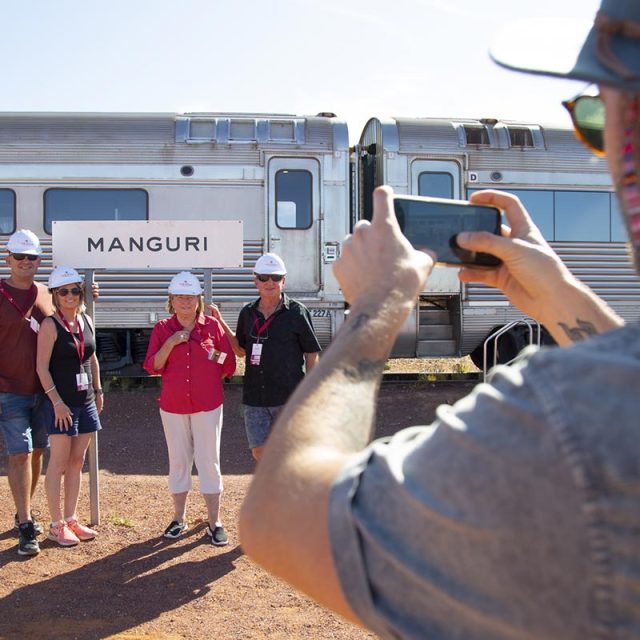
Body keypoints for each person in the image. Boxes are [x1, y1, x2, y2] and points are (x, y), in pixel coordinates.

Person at [239, 2, 640, 638]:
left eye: (597, 119)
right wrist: (561, 297)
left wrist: (376, 308)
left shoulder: (565, 419)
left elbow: (280, 518)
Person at [143, 271, 236, 546]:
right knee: (179, 461)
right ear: (171, 300)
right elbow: (153, 365)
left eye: (190, 296)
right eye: (180, 297)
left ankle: (214, 521)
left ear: (199, 300)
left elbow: (228, 363)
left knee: (209, 461)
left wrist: (210, 353)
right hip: (173, 406)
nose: (185, 301)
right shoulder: (163, 329)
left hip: (207, 405)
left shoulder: (212, 326)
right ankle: (179, 518)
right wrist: (172, 343)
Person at [210, 253, 321, 461]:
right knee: (259, 451)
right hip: (256, 397)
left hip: (289, 396)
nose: (270, 282)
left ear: (284, 281)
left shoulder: (297, 312)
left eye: (276, 277)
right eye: (264, 277)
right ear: (256, 282)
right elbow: (241, 350)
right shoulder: (248, 313)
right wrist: (220, 322)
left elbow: (311, 352)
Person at [36, 266, 103, 547]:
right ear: (55, 294)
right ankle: (56, 524)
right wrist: (57, 403)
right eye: (63, 291)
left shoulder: (85, 320)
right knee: (60, 463)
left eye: (75, 290)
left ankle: (72, 518)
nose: (70, 295)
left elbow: (92, 356)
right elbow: (41, 368)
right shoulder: (50, 325)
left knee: (77, 462)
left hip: (85, 401)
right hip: (60, 405)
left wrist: (98, 390)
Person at [0, 230, 52, 555]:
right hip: (8, 389)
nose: (25, 262)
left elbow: (70, 319)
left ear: (39, 261)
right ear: (8, 260)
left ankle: (26, 512)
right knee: (19, 453)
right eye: (19, 256)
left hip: (44, 390)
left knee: (37, 453)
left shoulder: (46, 293)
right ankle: (25, 523)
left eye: (31, 257)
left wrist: (90, 296)